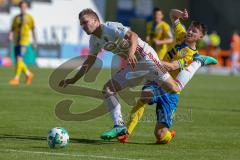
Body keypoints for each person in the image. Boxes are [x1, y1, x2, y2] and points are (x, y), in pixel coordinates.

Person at [59, 8, 217, 140]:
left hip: (146, 57)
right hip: (134, 63)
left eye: (85, 22)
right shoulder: (94, 40)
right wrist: (72, 79)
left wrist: (130, 52)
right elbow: (89, 62)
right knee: (108, 89)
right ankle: (119, 126)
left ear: (95, 20)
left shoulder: (110, 27)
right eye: (81, 24)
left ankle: (198, 61)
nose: (83, 26)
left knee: (174, 88)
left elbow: (133, 36)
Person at [118, 9, 219, 144]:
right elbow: (172, 14)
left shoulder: (190, 55)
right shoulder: (181, 35)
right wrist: (181, 15)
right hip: (157, 78)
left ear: (200, 37)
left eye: (194, 31)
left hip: (170, 90)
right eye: (189, 28)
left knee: (160, 135)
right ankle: (126, 132)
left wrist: (151, 60)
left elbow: (171, 67)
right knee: (145, 95)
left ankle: (168, 135)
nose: (189, 32)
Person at [8, 0, 36, 85]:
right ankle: (28, 74)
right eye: (21, 7)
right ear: (19, 7)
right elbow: (12, 28)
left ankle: (16, 79)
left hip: (24, 41)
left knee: (19, 58)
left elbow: (33, 29)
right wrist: (11, 35)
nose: (23, 8)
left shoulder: (29, 17)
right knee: (18, 60)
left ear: (26, 7)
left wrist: (35, 41)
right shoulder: (16, 18)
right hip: (16, 41)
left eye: (24, 7)